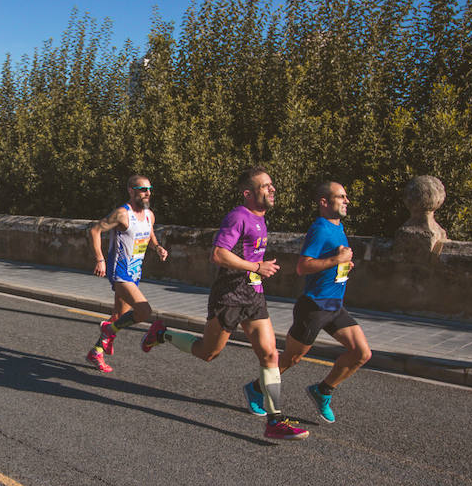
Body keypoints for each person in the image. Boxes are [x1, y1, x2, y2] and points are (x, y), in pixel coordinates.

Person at [140, 166, 309, 440]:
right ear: (248, 193)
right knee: (208, 352)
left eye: (271, 185)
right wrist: (256, 266)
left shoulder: (260, 219)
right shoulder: (238, 217)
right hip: (228, 296)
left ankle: (274, 420)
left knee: (269, 355)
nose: (272, 189)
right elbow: (218, 255)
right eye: (265, 186)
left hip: (253, 295)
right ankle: (161, 333)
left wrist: (256, 271)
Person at [242, 181, 371, 424]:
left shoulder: (338, 226)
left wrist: (343, 264)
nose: (347, 201)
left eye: (346, 197)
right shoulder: (320, 228)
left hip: (334, 305)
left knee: (361, 353)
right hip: (314, 307)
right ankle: (256, 389)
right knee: (291, 358)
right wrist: (336, 259)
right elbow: (303, 267)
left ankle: (322, 391)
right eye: (341, 197)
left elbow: (330, 261)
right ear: (324, 202)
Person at [86, 174, 169, 373]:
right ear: (131, 191)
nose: (147, 193)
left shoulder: (149, 215)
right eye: (142, 189)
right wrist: (100, 259)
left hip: (135, 272)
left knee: (119, 315)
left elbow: (149, 235)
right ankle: (108, 330)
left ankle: (96, 351)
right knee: (144, 311)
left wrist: (157, 247)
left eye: (149, 189)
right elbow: (95, 230)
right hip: (120, 271)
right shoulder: (123, 214)